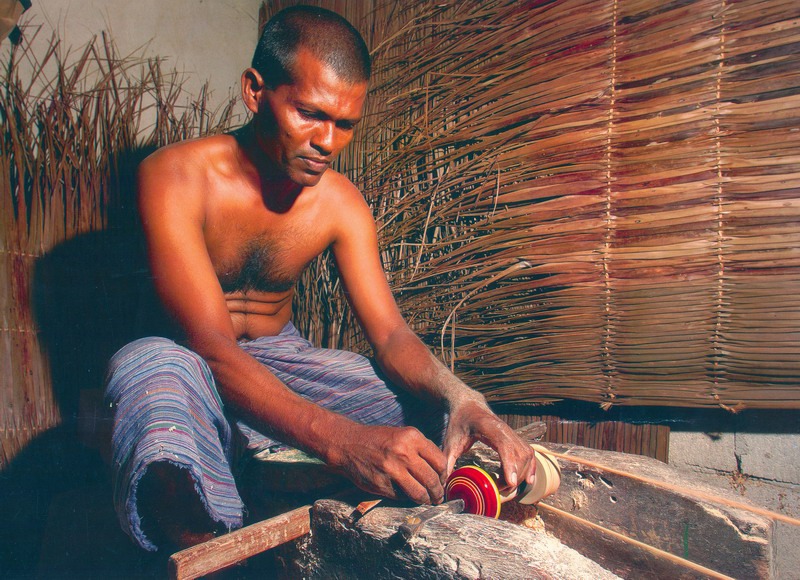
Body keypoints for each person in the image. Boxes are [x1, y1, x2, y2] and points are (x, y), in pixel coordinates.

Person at [105, 5, 536, 552]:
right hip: (189, 358)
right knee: (149, 373)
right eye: (310, 113)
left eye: (346, 124)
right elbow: (209, 346)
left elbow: (391, 336)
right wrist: (344, 443)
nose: (327, 141)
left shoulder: (340, 203)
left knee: (416, 411)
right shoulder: (174, 176)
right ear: (255, 90)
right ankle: (210, 551)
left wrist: (463, 398)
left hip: (284, 362)